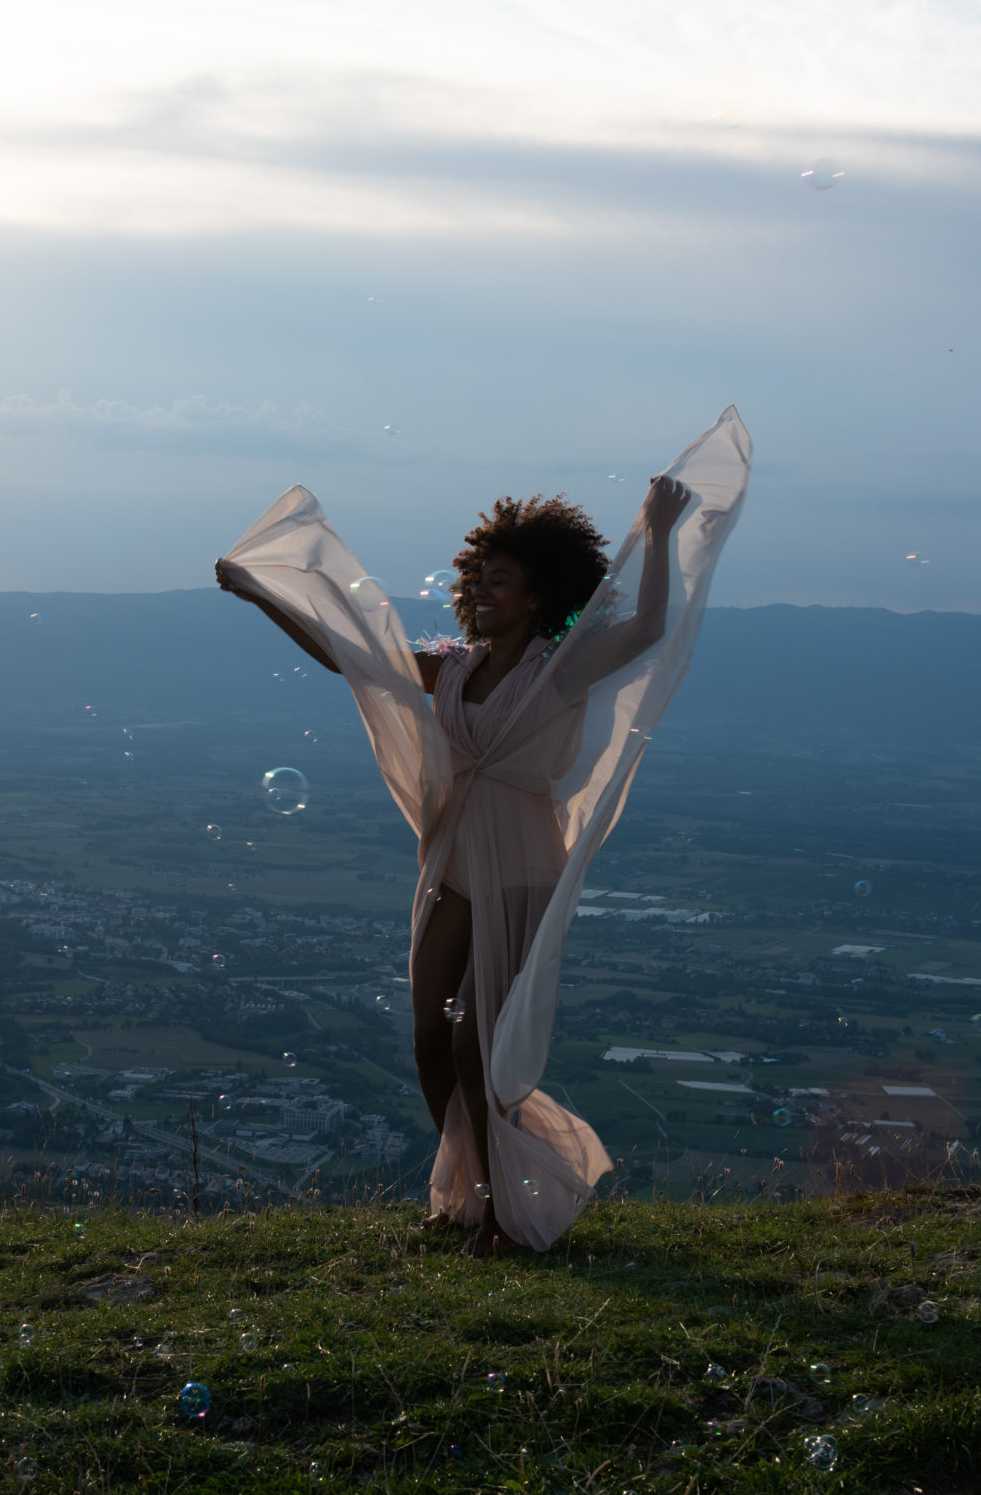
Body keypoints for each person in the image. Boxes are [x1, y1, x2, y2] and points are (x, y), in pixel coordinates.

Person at [216, 408, 750, 1254]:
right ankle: (465, 1185)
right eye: (479, 580)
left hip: (522, 866)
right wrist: (262, 594)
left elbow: (650, 627)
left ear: (538, 595)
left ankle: (504, 1213)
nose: (480, 593)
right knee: (431, 1039)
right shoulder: (454, 668)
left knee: (478, 1048)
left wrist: (654, 532)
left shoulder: (559, 670)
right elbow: (351, 656)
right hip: (455, 858)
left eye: (501, 581)